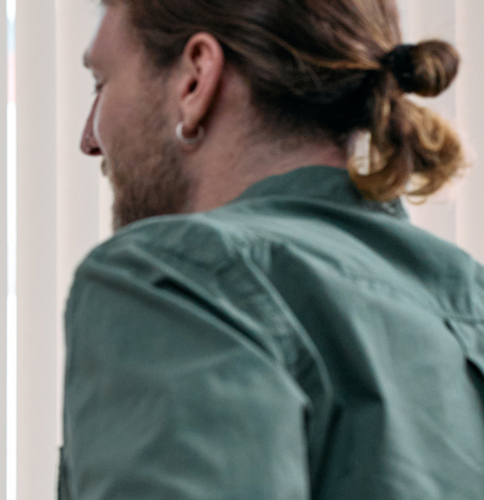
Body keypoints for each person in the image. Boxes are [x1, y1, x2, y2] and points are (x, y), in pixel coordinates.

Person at [63, 0, 481, 498]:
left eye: (101, 84)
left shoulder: (173, 279)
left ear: (195, 78)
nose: (89, 139)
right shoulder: (468, 299)